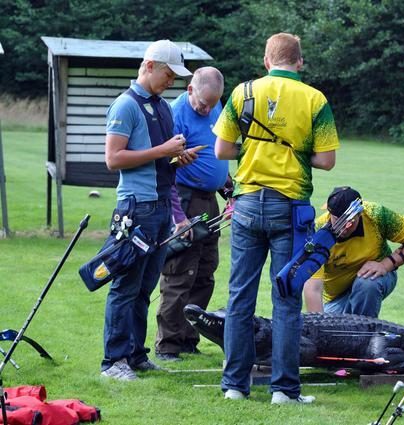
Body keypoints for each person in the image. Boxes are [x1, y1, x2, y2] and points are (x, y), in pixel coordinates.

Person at [214, 32, 339, 404]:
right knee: (286, 298)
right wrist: (298, 153)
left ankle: (235, 386)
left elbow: (222, 149)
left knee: (240, 297)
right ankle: (284, 389)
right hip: (291, 206)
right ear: (299, 62)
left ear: (266, 61)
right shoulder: (315, 99)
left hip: (248, 202)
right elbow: (327, 160)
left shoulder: (243, 92)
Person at [101, 40, 196, 380]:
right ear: (150, 65)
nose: (171, 82)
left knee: (145, 287)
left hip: (160, 208)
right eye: (168, 74)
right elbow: (113, 159)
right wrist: (162, 151)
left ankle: (136, 356)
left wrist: (177, 156)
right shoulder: (125, 106)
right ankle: (113, 362)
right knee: (125, 287)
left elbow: (161, 154)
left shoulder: (163, 107)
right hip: (136, 208)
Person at [155, 67, 231, 362]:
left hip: (209, 199)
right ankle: (168, 344)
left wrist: (227, 185)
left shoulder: (214, 105)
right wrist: (178, 218)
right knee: (180, 272)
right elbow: (167, 170)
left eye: (213, 104)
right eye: (203, 103)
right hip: (184, 201)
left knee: (205, 271)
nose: (208, 109)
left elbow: (215, 153)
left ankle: (189, 336)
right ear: (189, 90)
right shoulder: (174, 115)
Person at [304, 186, 404, 318]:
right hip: (337, 298)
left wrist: (385, 265)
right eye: (338, 220)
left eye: (350, 221)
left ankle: (363, 334)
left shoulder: (376, 215)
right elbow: (313, 288)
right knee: (329, 332)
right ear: (329, 213)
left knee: (367, 285)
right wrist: (318, 326)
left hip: (376, 277)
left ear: (360, 212)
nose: (345, 227)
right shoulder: (317, 234)